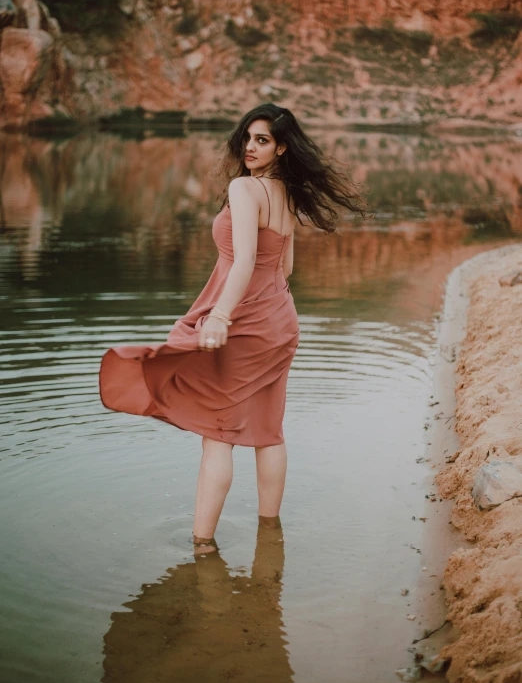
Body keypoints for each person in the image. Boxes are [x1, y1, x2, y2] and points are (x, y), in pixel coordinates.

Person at [98, 103, 368, 550]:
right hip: (280, 320)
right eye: (247, 137)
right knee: (269, 430)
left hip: (245, 322)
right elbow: (285, 267)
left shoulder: (245, 189)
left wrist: (220, 316)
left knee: (217, 435)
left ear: (281, 146)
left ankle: (201, 545)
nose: (250, 147)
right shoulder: (285, 192)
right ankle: (270, 534)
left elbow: (244, 261)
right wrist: (260, 305)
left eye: (262, 140)